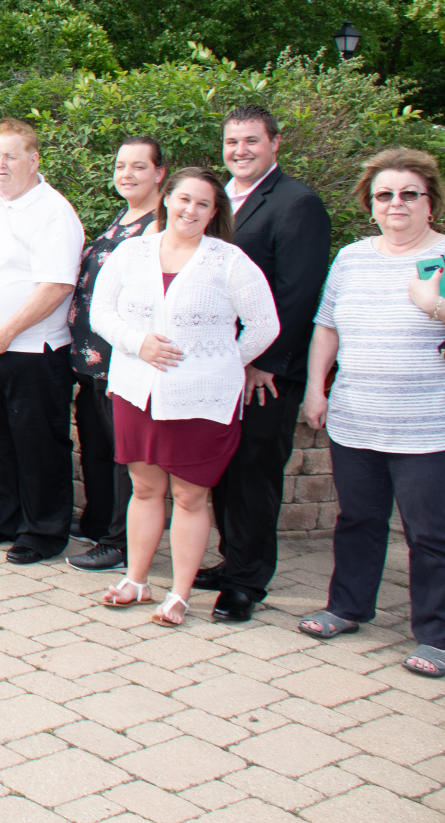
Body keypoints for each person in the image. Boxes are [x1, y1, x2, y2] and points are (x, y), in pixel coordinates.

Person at [90, 167, 278, 626]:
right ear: (167, 200)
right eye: (184, 199)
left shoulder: (228, 261)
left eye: (203, 204)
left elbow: (265, 324)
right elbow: (101, 312)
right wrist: (137, 343)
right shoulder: (132, 252)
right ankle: (136, 580)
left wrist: (221, 363)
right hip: (137, 393)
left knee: (191, 497)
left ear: (214, 213)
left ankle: (179, 594)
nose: (190, 210)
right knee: (144, 488)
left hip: (200, 401)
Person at [302, 149, 445, 678]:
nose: (396, 203)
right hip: (357, 416)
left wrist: (430, 303)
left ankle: (436, 635)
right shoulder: (351, 258)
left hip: (428, 424)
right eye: (385, 194)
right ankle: (347, 607)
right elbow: (327, 326)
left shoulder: (444, 257)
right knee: (357, 519)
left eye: (409, 193)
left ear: (430, 202)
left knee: (429, 534)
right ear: (371, 204)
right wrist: (316, 389)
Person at [198, 105, 331, 622]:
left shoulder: (298, 203)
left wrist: (263, 361)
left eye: (251, 141)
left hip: (265, 372)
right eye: (232, 142)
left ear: (275, 143)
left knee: (254, 474)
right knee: (224, 469)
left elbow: (297, 293)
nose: (240, 151)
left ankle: (246, 583)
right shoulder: (220, 199)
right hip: (219, 364)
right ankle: (232, 559)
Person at [0, 118, 85, 562]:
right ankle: (2, 518)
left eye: (10, 156)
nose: (1, 164)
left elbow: (57, 285)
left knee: (38, 444)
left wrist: (8, 330)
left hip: (31, 352)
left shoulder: (53, 211)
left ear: (34, 160)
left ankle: (43, 532)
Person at [64, 138, 164, 572]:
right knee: (98, 447)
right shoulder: (124, 218)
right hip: (91, 359)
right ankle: (98, 523)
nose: (127, 174)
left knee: (127, 456)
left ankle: (121, 543)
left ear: (159, 173)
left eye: (139, 166)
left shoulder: (158, 226)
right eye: (121, 165)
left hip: (122, 359)